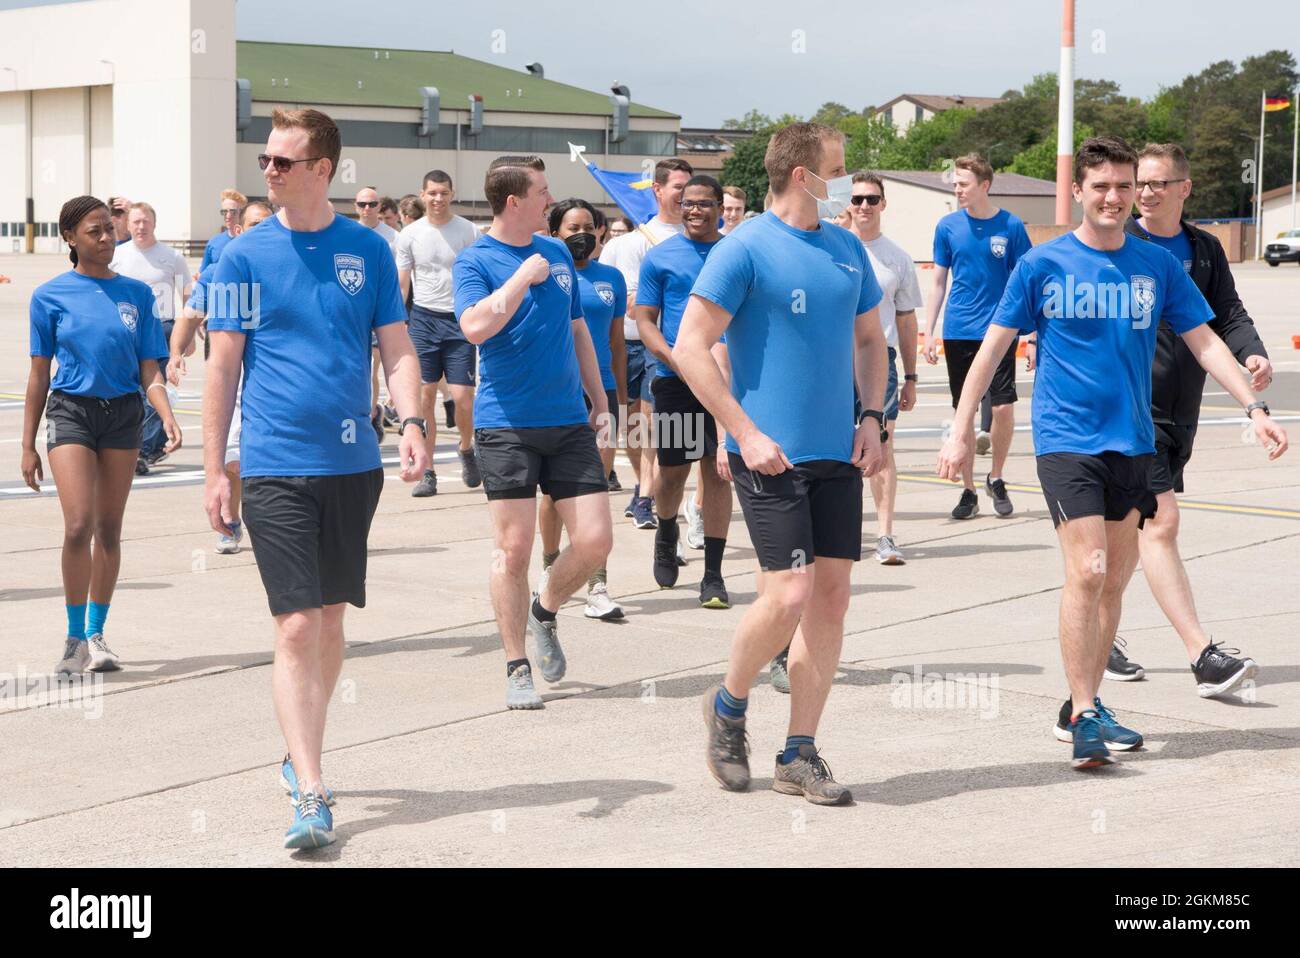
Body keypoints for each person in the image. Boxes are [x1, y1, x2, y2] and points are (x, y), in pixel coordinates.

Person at [937, 136, 1288, 769]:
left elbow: (1206, 341)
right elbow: (991, 350)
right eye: (1101, 186)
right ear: (1078, 191)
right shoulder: (1042, 266)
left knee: (1115, 583)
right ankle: (1084, 717)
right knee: (1090, 571)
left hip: (1136, 444)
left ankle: (1083, 704)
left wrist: (1254, 407)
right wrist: (960, 427)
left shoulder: (1156, 267)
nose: (1115, 198)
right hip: (1068, 443)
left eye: (1125, 186)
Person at [205, 108, 428, 848]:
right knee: (296, 623)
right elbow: (224, 363)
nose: (267, 171)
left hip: (351, 464)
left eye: (282, 162)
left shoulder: (365, 248)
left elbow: (395, 348)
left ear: (323, 170)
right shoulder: (242, 256)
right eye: (265, 160)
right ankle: (311, 789)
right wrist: (214, 467)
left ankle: (299, 744)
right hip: (273, 462)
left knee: (331, 620)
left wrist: (414, 422)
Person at [676, 122, 887, 804]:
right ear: (802, 175)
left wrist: (874, 418)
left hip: (837, 454)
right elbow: (689, 346)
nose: (849, 185)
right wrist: (741, 430)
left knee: (830, 598)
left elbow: (870, 341)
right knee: (788, 594)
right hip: (766, 455)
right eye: (838, 171)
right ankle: (728, 708)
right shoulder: (745, 250)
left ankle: (799, 752)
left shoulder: (847, 251)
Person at [1095, 141, 1270, 695]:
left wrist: (1252, 354)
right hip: (1129, 415)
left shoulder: (1204, 249)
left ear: (1183, 189)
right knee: (1161, 523)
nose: (1141, 193)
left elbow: (1225, 317)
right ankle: (1202, 655)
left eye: (1154, 184)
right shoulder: (1124, 246)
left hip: (1179, 415)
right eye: (1136, 184)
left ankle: (1101, 636)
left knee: (1126, 538)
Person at [452, 154, 613, 710]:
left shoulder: (556, 252)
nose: (552, 199)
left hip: (568, 420)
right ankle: (516, 664)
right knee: (513, 550)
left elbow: (577, 330)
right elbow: (474, 326)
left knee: (595, 540)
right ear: (514, 200)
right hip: (506, 426)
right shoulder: (477, 260)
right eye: (542, 191)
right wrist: (521, 277)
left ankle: (545, 610)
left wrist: (600, 399)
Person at [23, 195, 181, 677]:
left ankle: (96, 633)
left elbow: (149, 368)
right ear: (70, 238)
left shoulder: (135, 295)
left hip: (123, 416)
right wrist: (25, 444)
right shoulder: (49, 296)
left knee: (109, 530)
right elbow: (38, 376)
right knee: (78, 526)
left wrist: (167, 415)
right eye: (96, 231)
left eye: (111, 230)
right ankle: (73, 639)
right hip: (71, 412)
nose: (108, 238)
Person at [636, 174, 733, 608]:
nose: (695, 211)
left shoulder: (737, 253)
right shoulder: (662, 257)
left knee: (717, 470)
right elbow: (644, 321)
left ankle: (713, 574)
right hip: (676, 381)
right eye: (688, 203)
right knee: (673, 474)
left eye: (704, 204)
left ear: (720, 206)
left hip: (730, 382)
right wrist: (677, 360)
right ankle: (666, 529)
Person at [923, 154, 1031, 519]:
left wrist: (1031, 335)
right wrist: (929, 333)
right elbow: (938, 282)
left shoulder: (1011, 226)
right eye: (954, 183)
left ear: (984, 185)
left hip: (1000, 331)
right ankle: (968, 490)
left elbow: (1028, 281)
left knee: (1002, 407)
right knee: (963, 413)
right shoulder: (947, 226)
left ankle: (996, 476)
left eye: (963, 183)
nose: (957, 189)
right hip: (959, 331)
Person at [170, 201, 274, 554]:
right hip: (232, 373)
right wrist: (175, 353)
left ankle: (271, 523)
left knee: (265, 452)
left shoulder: (285, 265)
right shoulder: (220, 270)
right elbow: (189, 315)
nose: (260, 229)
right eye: (254, 224)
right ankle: (230, 520)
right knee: (232, 454)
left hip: (272, 374)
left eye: (266, 223)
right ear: (239, 230)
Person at [540, 197, 627, 620]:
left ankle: (597, 585)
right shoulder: (545, 274)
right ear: (554, 232)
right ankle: (550, 569)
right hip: (557, 393)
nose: (582, 235)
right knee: (553, 493)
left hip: (603, 393)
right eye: (572, 227)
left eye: (589, 227)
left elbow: (615, 343)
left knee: (596, 487)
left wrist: (620, 399)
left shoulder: (612, 278)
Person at [599, 157, 694, 530]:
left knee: (657, 424)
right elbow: (614, 296)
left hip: (668, 348)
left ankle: (646, 496)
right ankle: (643, 485)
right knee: (632, 425)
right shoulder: (628, 244)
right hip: (627, 343)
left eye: (690, 188)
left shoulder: (697, 240)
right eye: (678, 188)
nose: (686, 197)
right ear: (657, 190)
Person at [846, 172, 923, 564]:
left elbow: (907, 321)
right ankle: (840, 530)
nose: (863, 206)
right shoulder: (832, 248)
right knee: (835, 447)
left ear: (883, 204)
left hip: (880, 361)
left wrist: (910, 377)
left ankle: (885, 534)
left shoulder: (897, 258)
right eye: (857, 198)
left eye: (871, 199)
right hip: (833, 359)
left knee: (880, 447)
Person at [396, 170, 482, 496]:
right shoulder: (410, 234)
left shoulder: (468, 231)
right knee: (424, 396)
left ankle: (466, 448)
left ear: (452, 193)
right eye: (432, 193)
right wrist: (396, 323)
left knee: (462, 398)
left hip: (459, 321)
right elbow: (402, 283)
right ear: (422, 194)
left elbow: (479, 274)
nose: (437, 199)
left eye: (443, 192)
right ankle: (427, 471)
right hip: (423, 320)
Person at [109, 202, 192, 475]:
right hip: (126, 331)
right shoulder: (117, 256)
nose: (140, 227)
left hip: (161, 330)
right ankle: (148, 443)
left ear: (154, 223)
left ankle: (142, 452)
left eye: (145, 221)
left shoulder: (171, 257)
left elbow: (187, 297)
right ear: (127, 225)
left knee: (151, 392)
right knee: (129, 392)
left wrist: (187, 336)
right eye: (135, 222)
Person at [201, 189, 247, 272]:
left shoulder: (250, 240)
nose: (228, 216)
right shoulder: (214, 242)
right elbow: (203, 274)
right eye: (224, 211)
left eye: (233, 212)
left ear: (242, 213)